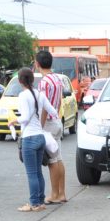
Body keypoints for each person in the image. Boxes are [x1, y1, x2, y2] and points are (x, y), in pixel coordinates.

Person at [13, 67, 58, 212]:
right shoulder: (40, 94)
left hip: (29, 138)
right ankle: (40, 201)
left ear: (20, 81)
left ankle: (34, 204)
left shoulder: (23, 95)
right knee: (38, 172)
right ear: (32, 80)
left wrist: (14, 121)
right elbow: (53, 112)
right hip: (40, 137)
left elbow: (25, 117)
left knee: (32, 173)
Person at [35, 50, 68, 205]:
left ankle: (54, 194)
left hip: (48, 123)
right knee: (58, 158)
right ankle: (62, 193)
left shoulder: (44, 82)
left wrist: (40, 127)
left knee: (52, 161)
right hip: (56, 120)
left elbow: (43, 107)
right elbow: (59, 102)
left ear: (37, 64)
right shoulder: (57, 78)